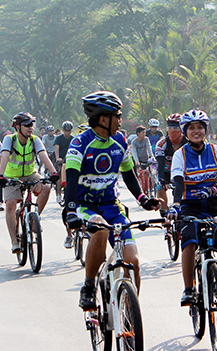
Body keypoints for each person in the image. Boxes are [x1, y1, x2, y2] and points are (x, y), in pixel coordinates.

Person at [64, 91, 161, 310]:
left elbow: (128, 174)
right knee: (99, 229)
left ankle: (129, 311)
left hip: (112, 206)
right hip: (86, 206)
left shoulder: (119, 140)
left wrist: (143, 199)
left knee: (133, 262)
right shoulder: (81, 143)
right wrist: (70, 210)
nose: (120, 120)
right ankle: (88, 286)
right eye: (117, 116)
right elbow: (70, 178)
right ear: (103, 119)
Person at [166, 110, 217, 307]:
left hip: (213, 205)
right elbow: (178, 183)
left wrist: (212, 190)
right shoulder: (180, 155)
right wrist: (176, 205)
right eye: (191, 128)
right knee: (189, 241)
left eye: (200, 127)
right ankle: (188, 289)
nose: (196, 131)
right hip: (189, 206)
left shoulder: (216, 151)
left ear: (205, 129)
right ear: (185, 131)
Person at [0, 112, 60, 253]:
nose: (30, 128)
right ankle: (14, 241)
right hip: (11, 177)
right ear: (17, 127)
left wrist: (54, 172)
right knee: (11, 204)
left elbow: (43, 155)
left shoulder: (34, 140)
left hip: (30, 175)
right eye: (27, 125)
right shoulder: (9, 139)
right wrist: (0, 175)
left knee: (47, 186)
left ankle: (33, 221)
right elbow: (5, 156)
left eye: (32, 124)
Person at [155, 113, 187, 213]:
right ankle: (164, 211)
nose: (172, 130)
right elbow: (160, 163)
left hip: (183, 172)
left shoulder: (188, 143)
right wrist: (161, 178)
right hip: (166, 171)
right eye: (170, 127)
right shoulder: (162, 143)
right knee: (160, 188)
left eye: (176, 127)